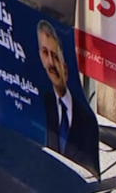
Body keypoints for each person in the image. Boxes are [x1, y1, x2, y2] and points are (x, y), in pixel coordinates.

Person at [38, 19, 98, 173]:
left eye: (55, 57)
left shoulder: (87, 121)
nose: (51, 62)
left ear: (65, 69)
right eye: (45, 53)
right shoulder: (42, 106)